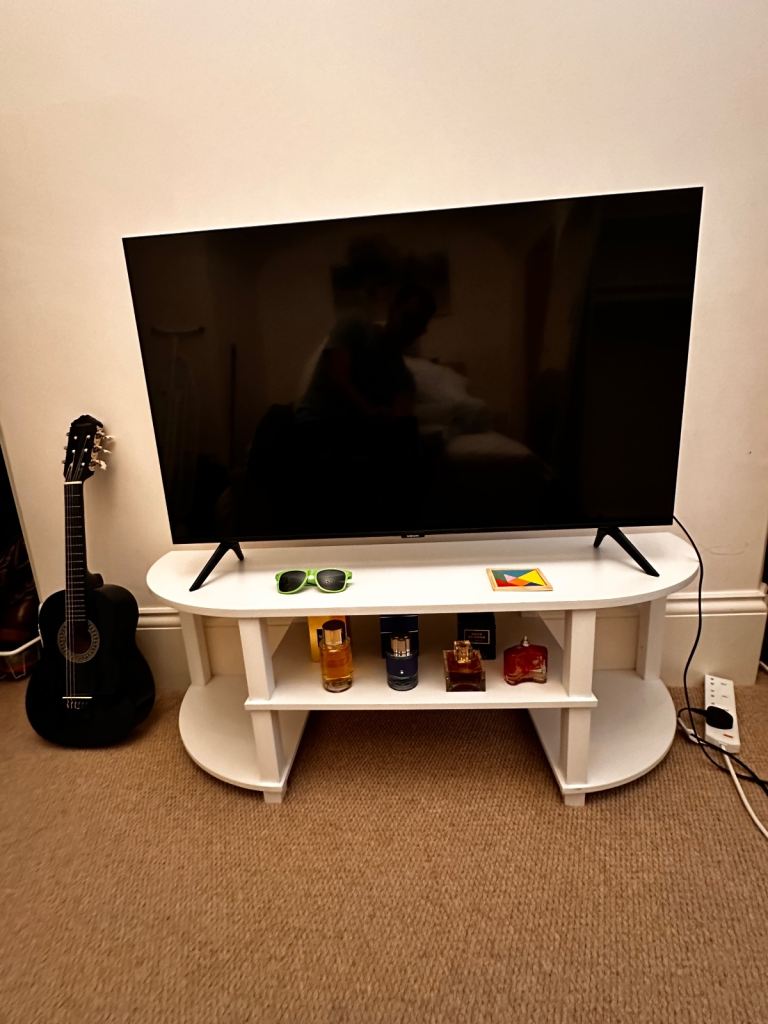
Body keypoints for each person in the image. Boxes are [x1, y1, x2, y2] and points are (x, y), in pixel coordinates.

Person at [296, 282, 437, 426]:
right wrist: (369, 410)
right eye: (408, 318)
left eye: (418, 324)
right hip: (315, 421)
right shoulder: (355, 326)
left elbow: (400, 419)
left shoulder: (404, 379)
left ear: (422, 331)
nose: (410, 329)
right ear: (392, 309)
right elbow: (336, 376)